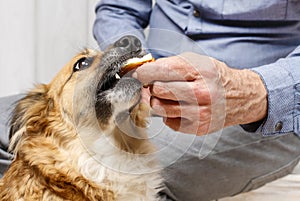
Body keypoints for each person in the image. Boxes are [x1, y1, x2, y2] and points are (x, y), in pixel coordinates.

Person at [92, 0, 300, 201]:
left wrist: (254, 91)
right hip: (148, 93)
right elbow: (118, 9)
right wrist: (132, 64)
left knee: (116, 173)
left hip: (259, 108)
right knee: (75, 158)